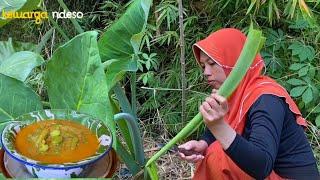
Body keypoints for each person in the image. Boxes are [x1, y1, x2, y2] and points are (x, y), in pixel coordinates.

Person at [177, 28, 319, 180]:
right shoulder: (234, 94)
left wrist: (219, 127)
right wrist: (203, 143)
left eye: (212, 63)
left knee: (219, 155)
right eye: (203, 66)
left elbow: (261, 166)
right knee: (215, 149)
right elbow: (226, 128)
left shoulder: (266, 98)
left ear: (234, 61)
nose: (206, 72)